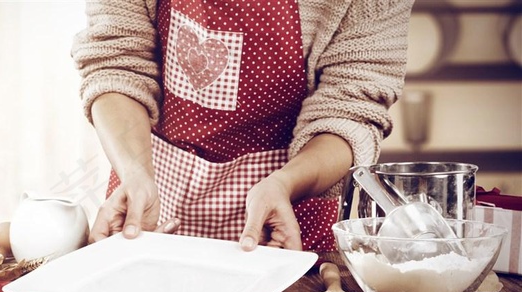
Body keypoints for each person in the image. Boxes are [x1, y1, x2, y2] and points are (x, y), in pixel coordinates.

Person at [72, 0, 413, 251]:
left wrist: (283, 184)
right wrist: (135, 173)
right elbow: (116, 64)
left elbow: (350, 110)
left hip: (286, 216)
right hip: (150, 199)